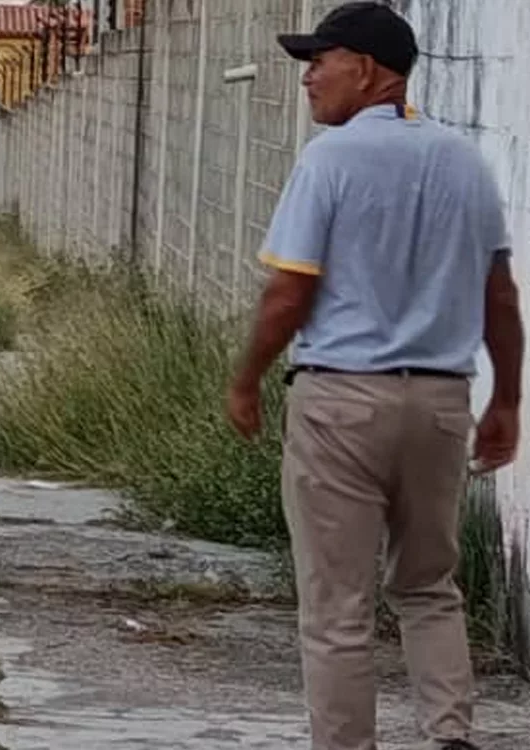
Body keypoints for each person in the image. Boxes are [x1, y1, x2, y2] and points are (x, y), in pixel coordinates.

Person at [224, 3, 524, 750]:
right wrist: (508, 400)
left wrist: (246, 378)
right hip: (440, 402)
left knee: (336, 607)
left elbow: (291, 292)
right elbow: (500, 295)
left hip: (340, 400)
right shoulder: (462, 160)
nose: (308, 76)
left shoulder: (330, 160)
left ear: (366, 68)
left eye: (319, 60)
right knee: (429, 586)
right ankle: (450, 735)